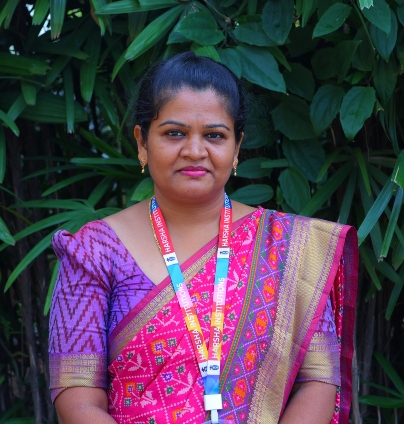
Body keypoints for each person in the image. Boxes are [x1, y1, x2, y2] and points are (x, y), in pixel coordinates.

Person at [48, 52, 358, 424]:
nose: (195, 151)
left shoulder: (288, 246)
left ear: (237, 146)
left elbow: (319, 380)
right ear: (142, 142)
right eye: (174, 133)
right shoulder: (94, 250)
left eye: (214, 135)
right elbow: (77, 399)